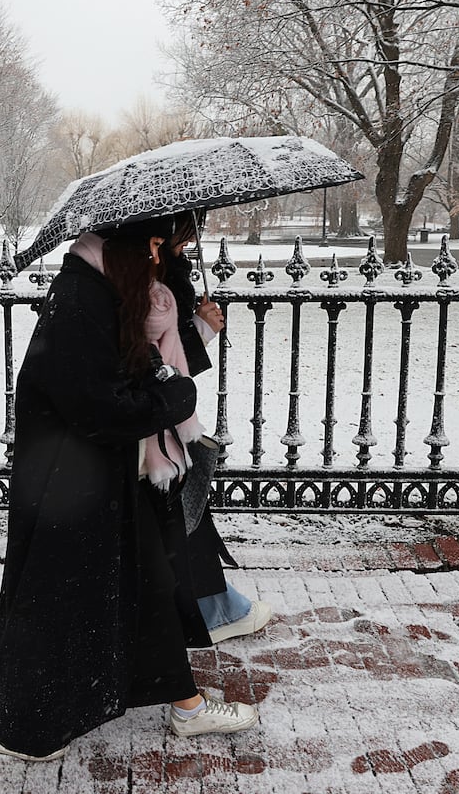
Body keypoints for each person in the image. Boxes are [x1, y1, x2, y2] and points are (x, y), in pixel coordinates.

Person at [0, 215, 259, 761]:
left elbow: (129, 369)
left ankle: (185, 703)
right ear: (128, 245)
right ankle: (21, 728)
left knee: (150, 584)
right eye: (155, 244)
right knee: (56, 601)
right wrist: (174, 401)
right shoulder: (82, 297)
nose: (162, 256)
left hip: (103, 476)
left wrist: (170, 367)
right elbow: (96, 402)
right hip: (73, 482)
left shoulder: (107, 290)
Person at [150, 211, 273, 643]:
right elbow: (160, 363)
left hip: (163, 424)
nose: (190, 241)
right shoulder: (156, 282)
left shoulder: (169, 272)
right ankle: (212, 610)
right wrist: (202, 328)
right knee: (183, 513)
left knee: (184, 512)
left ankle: (211, 606)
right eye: (183, 234)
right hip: (159, 429)